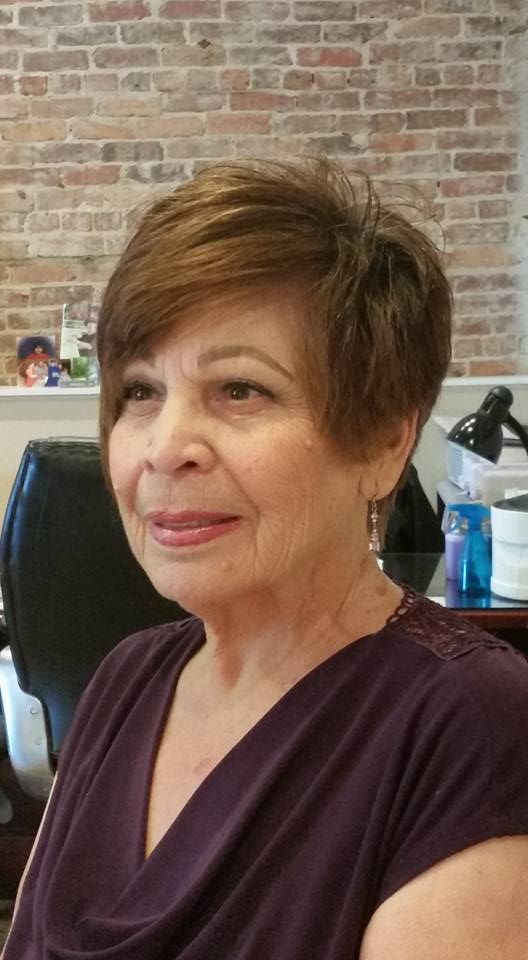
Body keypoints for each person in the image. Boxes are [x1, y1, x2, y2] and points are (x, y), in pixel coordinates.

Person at [4, 158, 528, 960]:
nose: (165, 448)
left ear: (385, 439)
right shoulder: (124, 678)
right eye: (141, 391)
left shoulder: (468, 723)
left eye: (240, 390)